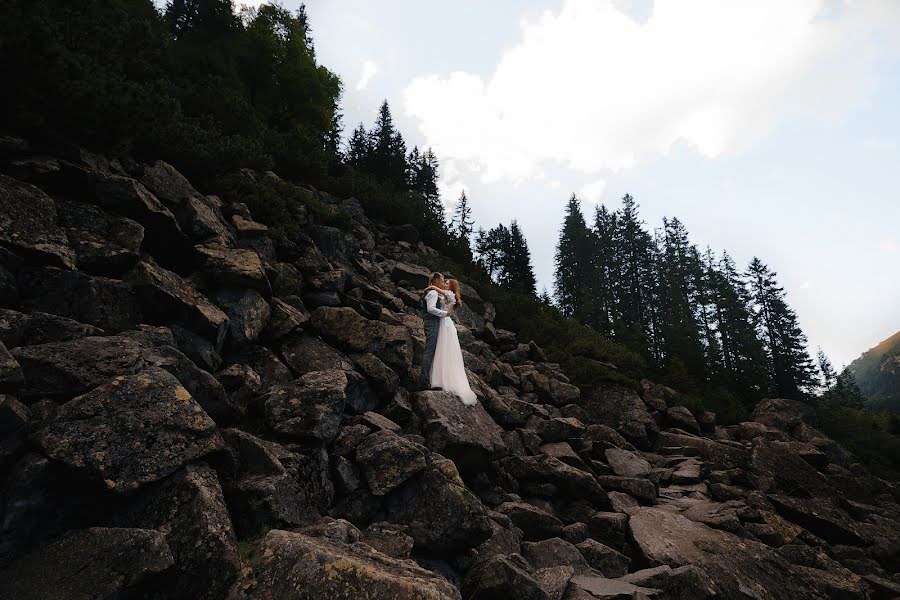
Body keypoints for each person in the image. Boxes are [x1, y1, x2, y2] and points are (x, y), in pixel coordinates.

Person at [430, 278, 478, 405]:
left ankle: (441, 380)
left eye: (446, 283)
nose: (444, 284)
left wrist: (430, 287)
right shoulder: (446, 295)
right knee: (441, 349)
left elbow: (434, 288)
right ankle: (438, 378)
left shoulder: (449, 294)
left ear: (451, 287)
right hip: (444, 322)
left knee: (443, 349)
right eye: (444, 282)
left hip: (444, 324)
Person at [420, 272, 450, 390]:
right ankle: (424, 381)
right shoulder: (432, 293)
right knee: (429, 351)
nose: (443, 282)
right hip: (432, 323)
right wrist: (445, 313)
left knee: (432, 351)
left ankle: (429, 379)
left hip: (434, 323)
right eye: (442, 280)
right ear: (436, 280)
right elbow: (430, 309)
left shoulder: (434, 292)